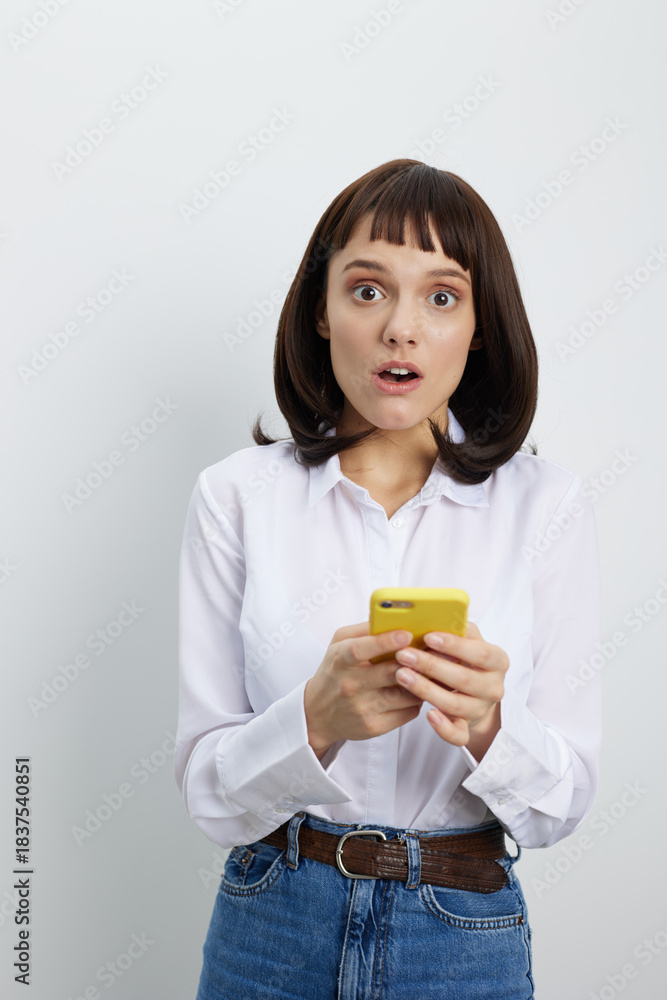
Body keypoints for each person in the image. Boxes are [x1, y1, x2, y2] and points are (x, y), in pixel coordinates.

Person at [174, 159, 601, 999]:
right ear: (321, 312)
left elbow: (563, 804)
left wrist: (489, 725)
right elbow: (209, 798)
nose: (400, 328)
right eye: (367, 290)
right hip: (272, 926)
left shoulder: (547, 506)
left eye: (441, 297)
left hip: (461, 933)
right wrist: (313, 721)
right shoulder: (235, 497)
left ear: (478, 326)